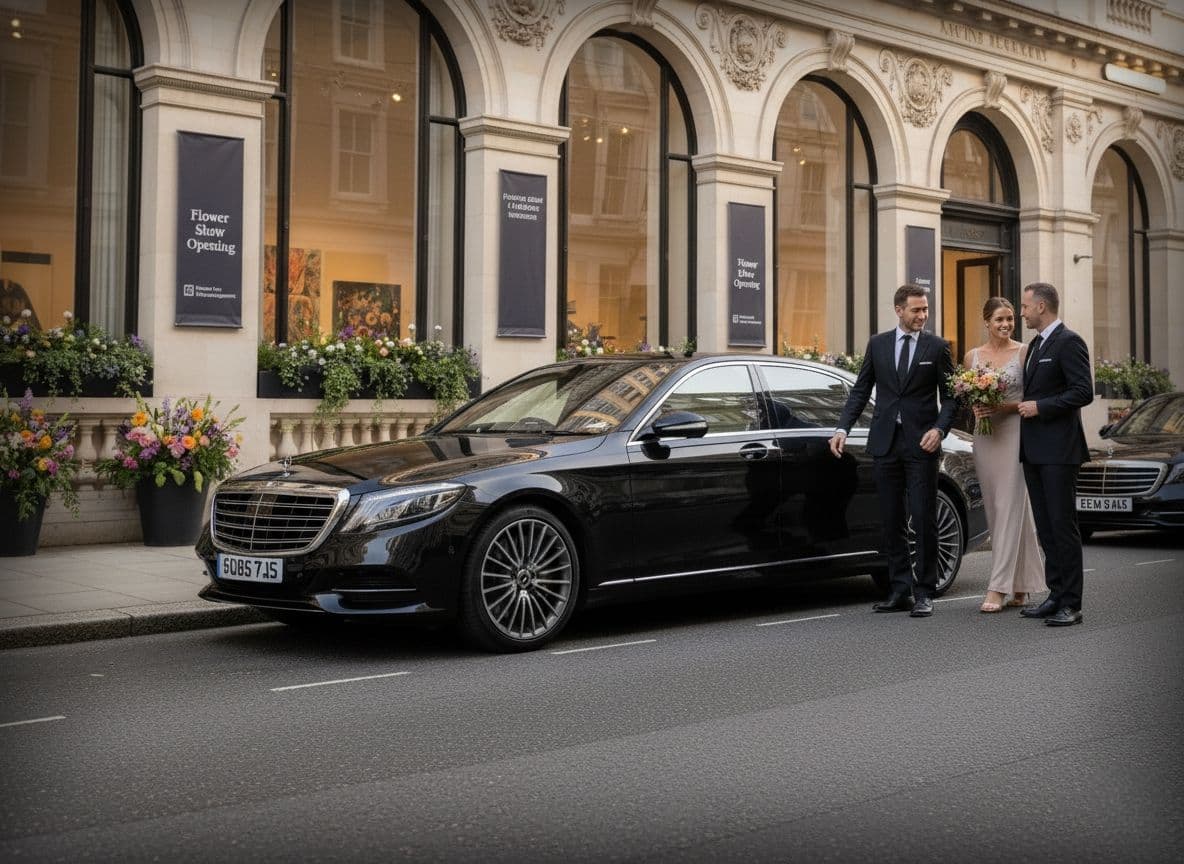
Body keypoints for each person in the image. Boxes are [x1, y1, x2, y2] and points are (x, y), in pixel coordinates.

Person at [829, 284, 957, 617]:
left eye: (926, 309)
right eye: (916, 310)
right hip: (885, 442)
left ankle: (924, 591)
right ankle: (899, 587)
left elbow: (952, 397)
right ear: (898, 310)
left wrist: (939, 429)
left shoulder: (938, 347)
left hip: (921, 443)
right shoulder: (878, 344)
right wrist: (842, 427)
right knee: (891, 518)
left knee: (923, 515)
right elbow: (860, 390)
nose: (923, 316)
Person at [1015, 282, 1093, 626]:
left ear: (1042, 307)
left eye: (1025, 306)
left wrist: (1040, 407)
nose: (1022, 312)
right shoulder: (1035, 344)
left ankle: (1071, 604)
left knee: (1062, 527)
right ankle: (1055, 594)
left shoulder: (1069, 341)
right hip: (1033, 451)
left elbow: (1083, 392)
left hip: (1060, 451)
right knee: (1046, 528)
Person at [963, 297, 1045, 613]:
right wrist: (976, 405)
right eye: (999, 319)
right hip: (985, 439)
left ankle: (998, 587)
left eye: (1010, 319)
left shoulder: (1024, 353)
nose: (1006, 325)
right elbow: (966, 395)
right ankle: (1022, 584)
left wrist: (1002, 407)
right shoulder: (972, 357)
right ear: (986, 321)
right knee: (1002, 511)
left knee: (1009, 506)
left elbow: (1033, 398)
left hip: (1015, 435)